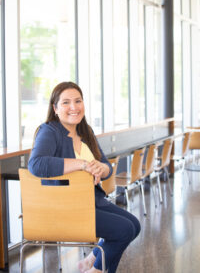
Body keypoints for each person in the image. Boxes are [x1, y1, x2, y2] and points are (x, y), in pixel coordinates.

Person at [28, 81, 141, 273]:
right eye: (65, 103)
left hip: (91, 201)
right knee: (123, 230)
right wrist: (81, 164)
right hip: (67, 207)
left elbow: (107, 167)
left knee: (135, 225)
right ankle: (96, 269)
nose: (73, 107)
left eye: (78, 101)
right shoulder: (49, 131)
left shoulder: (85, 131)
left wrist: (100, 168)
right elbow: (36, 164)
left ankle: (91, 262)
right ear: (55, 108)